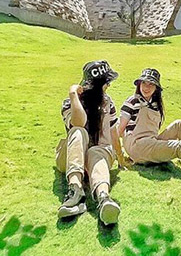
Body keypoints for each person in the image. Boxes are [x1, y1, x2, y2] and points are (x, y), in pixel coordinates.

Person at [54, 60, 128, 224]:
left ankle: (103, 198)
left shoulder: (107, 103)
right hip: (72, 158)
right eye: (106, 82)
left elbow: (113, 133)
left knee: (96, 150)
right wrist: (74, 95)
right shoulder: (71, 103)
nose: (109, 85)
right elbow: (78, 123)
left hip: (98, 156)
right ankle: (75, 191)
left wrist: (121, 159)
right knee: (78, 131)